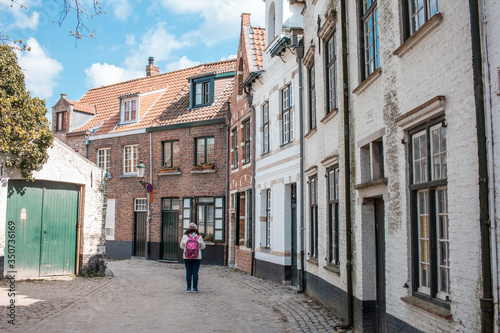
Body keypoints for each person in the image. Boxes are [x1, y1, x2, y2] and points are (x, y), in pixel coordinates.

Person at [180, 223, 206, 293]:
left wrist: (187, 247)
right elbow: (203, 246)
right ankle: (195, 288)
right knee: (195, 272)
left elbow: (181, 246)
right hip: (197, 257)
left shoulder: (185, 237)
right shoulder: (199, 237)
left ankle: (188, 288)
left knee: (188, 272)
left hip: (186, 257)